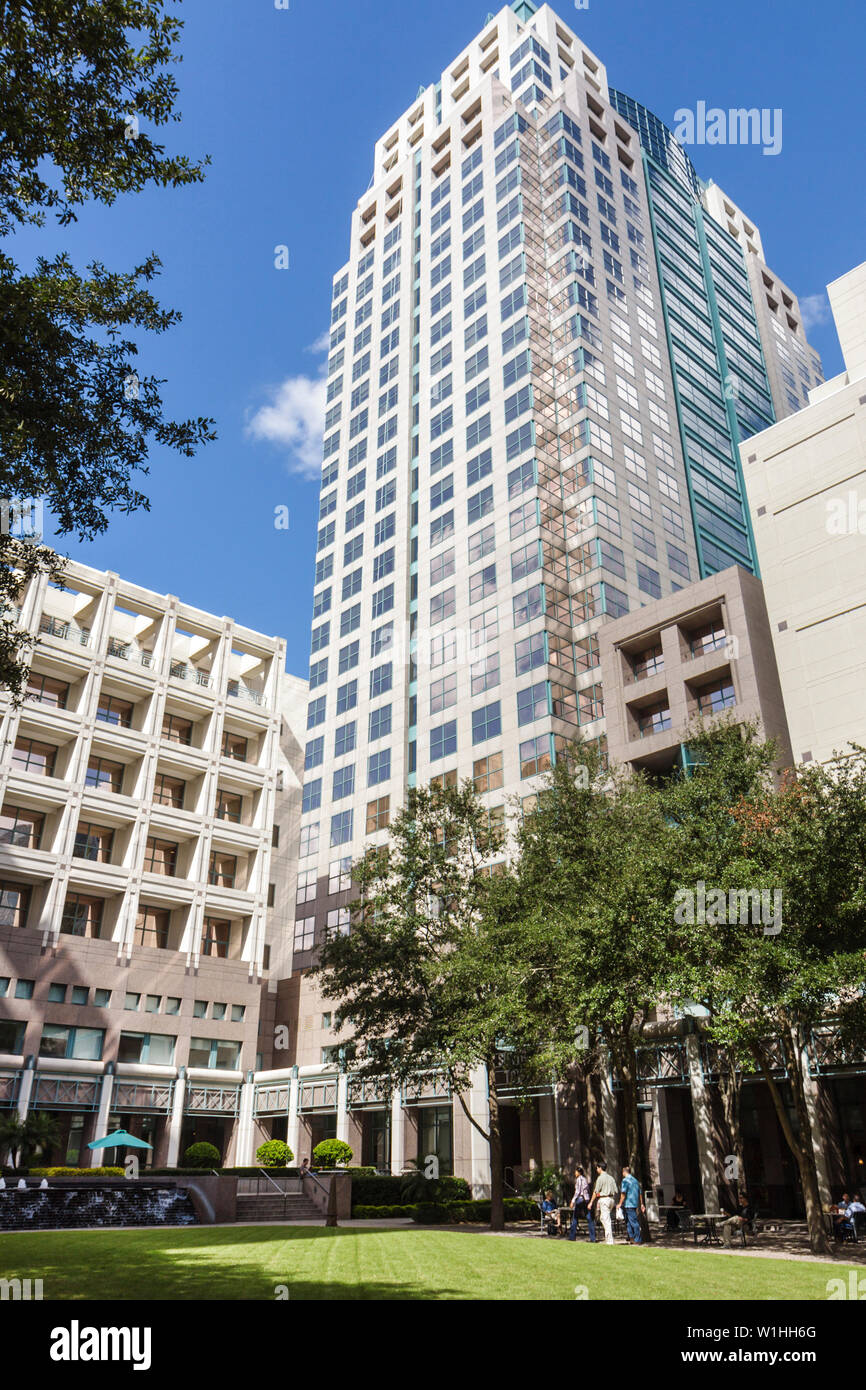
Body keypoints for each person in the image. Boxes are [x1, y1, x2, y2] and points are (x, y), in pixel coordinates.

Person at [589, 1161, 619, 1245]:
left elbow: (595, 1191)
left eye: (597, 1168)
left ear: (600, 1168)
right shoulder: (611, 1178)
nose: (596, 1169)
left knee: (606, 1220)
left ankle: (609, 1241)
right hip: (611, 1199)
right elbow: (616, 1190)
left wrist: (591, 1202)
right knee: (603, 1218)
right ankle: (608, 1236)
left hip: (604, 1199)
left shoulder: (600, 1178)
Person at [617, 1165, 645, 1244]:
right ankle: (631, 1238)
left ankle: (637, 1239)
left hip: (628, 1204)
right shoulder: (635, 1181)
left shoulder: (625, 1181)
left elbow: (623, 1193)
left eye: (622, 1172)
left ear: (624, 1172)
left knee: (633, 1222)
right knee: (628, 1222)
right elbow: (640, 1193)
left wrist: (619, 1203)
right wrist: (641, 1203)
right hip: (634, 1203)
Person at [568, 1166, 595, 1242]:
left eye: (576, 1172)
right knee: (589, 1218)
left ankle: (572, 1236)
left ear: (578, 1172)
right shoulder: (585, 1179)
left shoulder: (579, 1179)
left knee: (575, 1218)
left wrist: (573, 1201)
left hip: (580, 1199)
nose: (575, 1173)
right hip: (586, 1199)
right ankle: (593, 1238)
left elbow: (578, 1191)